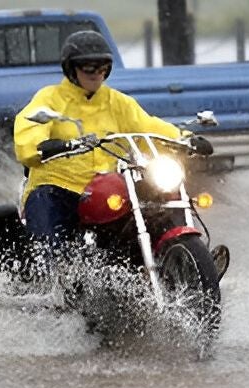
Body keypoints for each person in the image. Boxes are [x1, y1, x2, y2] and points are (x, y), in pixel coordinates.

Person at [13, 30, 212, 243]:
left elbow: (148, 127)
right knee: (47, 219)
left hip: (105, 188)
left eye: (102, 67)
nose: (96, 73)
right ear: (71, 68)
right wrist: (41, 146)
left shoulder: (118, 102)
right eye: (88, 67)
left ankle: (175, 251)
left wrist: (183, 139)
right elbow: (30, 127)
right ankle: (48, 262)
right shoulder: (49, 99)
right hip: (59, 187)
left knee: (153, 207)